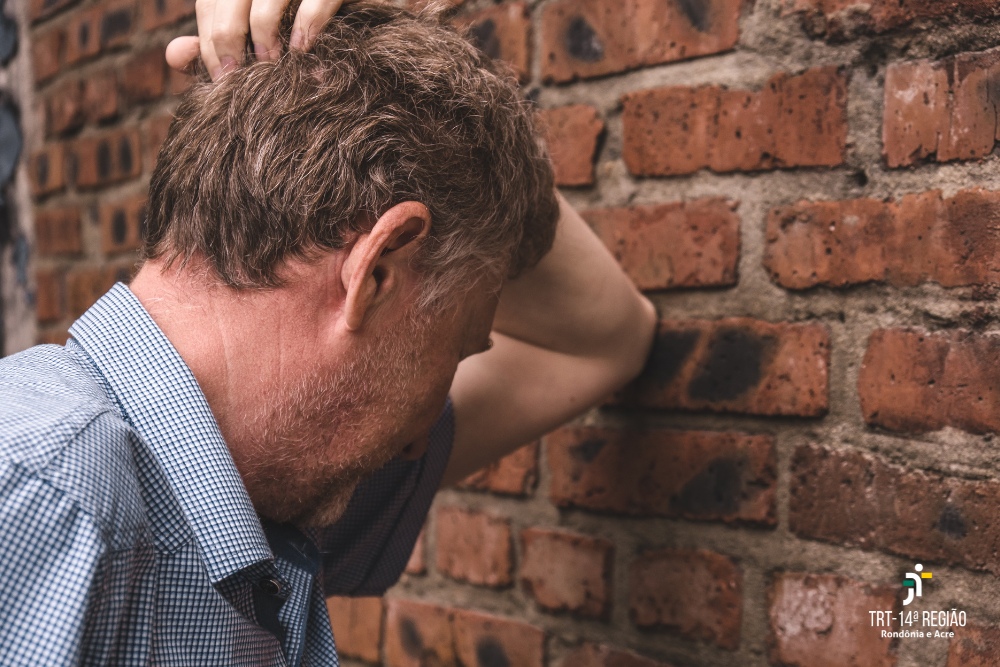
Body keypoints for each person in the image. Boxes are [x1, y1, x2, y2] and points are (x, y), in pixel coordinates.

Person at [0, 1, 656, 665]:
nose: (419, 443)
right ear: (376, 274)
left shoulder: (271, 489)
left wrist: (432, 111)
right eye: (454, 349)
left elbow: (598, 340)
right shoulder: (33, 491)